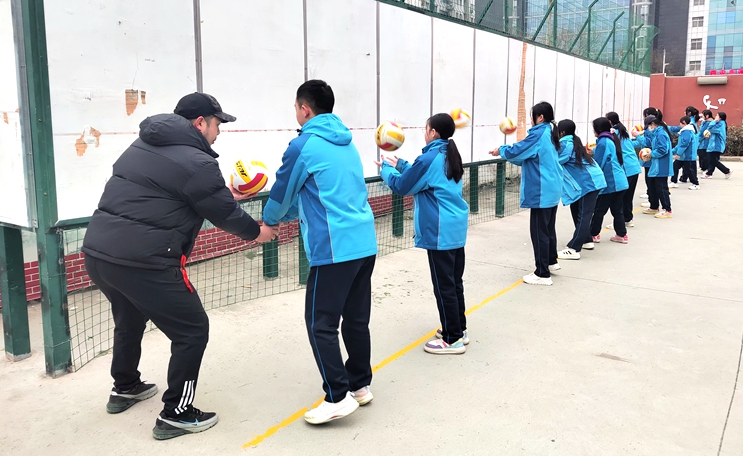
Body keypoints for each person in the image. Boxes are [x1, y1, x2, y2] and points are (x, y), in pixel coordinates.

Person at [82, 92, 276, 440]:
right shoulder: (198, 163)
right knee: (192, 330)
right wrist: (258, 233)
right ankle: (177, 413)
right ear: (200, 123)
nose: (219, 132)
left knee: (129, 318)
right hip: (145, 262)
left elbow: (172, 192)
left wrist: (225, 196)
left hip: (99, 254)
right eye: (217, 124)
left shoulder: (141, 145)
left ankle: (125, 387)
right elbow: (224, 215)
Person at [262, 80, 378, 425]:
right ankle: (360, 385)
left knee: (320, 323)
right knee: (355, 320)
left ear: (304, 109)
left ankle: (337, 395)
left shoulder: (304, 146)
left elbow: (282, 196)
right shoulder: (347, 142)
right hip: (363, 242)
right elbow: (316, 195)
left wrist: (267, 222)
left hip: (334, 247)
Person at [378, 113, 469, 354]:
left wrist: (386, 170)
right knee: (454, 282)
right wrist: (402, 165)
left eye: (426, 129)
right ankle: (459, 328)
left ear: (434, 133)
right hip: (455, 228)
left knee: (444, 286)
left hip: (440, 231)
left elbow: (402, 185)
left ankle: (452, 339)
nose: (424, 132)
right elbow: (422, 177)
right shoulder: (449, 154)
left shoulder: (429, 158)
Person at [490, 101, 562, 286]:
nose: (531, 120)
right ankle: (551, 262)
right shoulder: (550, 132)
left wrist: (502, 150)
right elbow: (527, 157)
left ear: (540, 117)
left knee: (539, 232)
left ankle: (542, 273)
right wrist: (507, 153)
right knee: (548, 229)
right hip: (551, 188)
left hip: (541, 190)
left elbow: (519, 150)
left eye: (532, 116)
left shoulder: (539, 134)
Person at [555, 119, 606, 260]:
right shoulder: (572, 142)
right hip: (589, 181)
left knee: (584, 215)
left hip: (589, 183)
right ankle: (587, 239)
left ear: (562, 132)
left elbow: (555, 161)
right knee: (576, 209)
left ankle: (573, 248)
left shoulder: (566, 144)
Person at [588, 117, 629, 244]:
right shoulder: (611, 138)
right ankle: (622, 234)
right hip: (620, 181)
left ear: (598, 129)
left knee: (599, 210)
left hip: (611, 183)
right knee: (617, 210)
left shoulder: (603, 141)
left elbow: (599, 163)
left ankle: (594, 234)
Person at [606, 112, 641, 227]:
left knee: (619, 197)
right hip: (634, 166)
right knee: (628, 196)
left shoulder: (613, 133)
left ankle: (620, 222)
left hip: (626, 167)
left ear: (610, 121)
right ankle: (628, 219)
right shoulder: (623, 131)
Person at [642, 115, 674, 218]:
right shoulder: (657, 133)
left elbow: (663, 149)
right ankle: (654, 207)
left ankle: (667, 209)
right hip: (657, 164)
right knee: (655, 186)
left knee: (662, 187)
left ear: (653, 124)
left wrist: (651, 154)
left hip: (662, 165)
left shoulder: (661, 133)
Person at [671, 116, 700, 190]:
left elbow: (684, 144)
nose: (679, 125)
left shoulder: (686, 131)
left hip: (688, 155)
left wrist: (678, 153)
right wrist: (673, 151)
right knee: (675, 166)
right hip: (683, 156)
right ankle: (673, 181)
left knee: (690, 170)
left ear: (683, 122)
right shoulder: (685, 131)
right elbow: (680, 144)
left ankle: (695, 184)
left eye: (680, 123)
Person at [703, 111, 732, 179]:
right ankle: (709, 173)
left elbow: (710, 128)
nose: (715, 117)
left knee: (713, 160)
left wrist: (714, 121)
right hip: (713, 145)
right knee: (712, 160)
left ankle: (727, 171)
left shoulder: (721, 124)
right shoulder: (719, 123)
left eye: (717, 115)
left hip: (717, 145)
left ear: (720, 118)